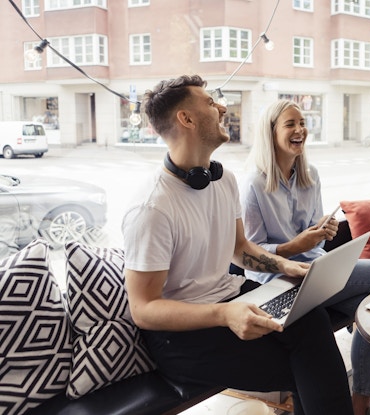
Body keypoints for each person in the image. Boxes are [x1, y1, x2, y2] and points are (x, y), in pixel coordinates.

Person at [122, 75, 354, 415]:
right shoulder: (152, 208)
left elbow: (240, 248)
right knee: (309, 365)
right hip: (182, 334)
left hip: (229, 295)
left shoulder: (223, 180)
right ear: (185, 119)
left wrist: (285, 266)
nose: (221, 107)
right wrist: (223, 313)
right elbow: (143, 309)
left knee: (312, 320)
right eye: (209, 103)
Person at [241, 99, 370, 415]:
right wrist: (297, 245)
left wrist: (323, 231)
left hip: (313, 270)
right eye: (290, 124)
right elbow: (249, 256)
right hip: (276, 280)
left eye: (302, 122)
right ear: (270, 133)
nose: (300, 130)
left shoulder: (309, 174)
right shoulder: (254, 185)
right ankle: (355, 399)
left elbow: (312, 239)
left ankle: (361, 395)